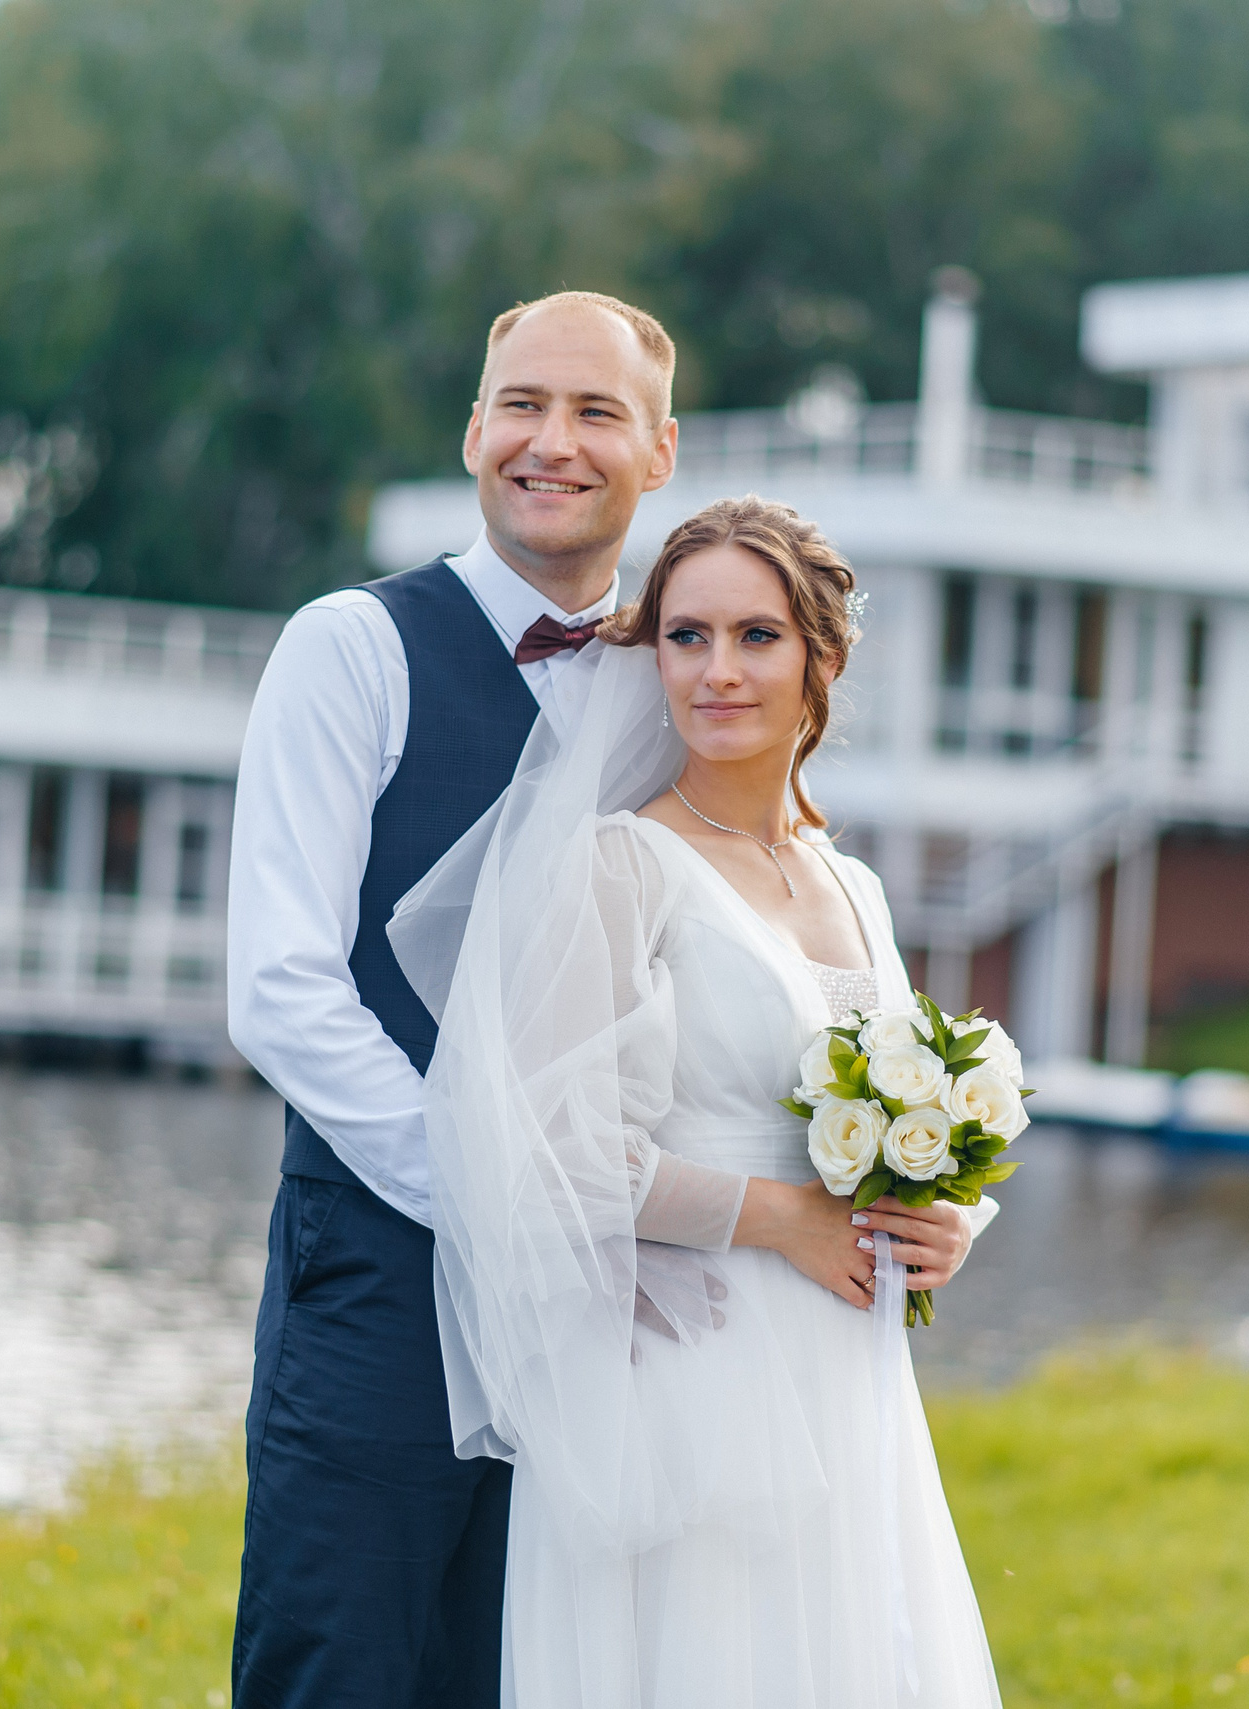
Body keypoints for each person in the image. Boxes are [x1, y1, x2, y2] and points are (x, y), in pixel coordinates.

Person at [388, 496, 1002, 1707]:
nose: (717, 670)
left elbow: (889, 1113)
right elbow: (555, 1153)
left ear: (820, 657)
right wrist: (781, 1218)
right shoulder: (620, 864)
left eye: (755, 636)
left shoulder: (855, 885)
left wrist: (948, 1219)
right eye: (686, 636)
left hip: (845, 1360)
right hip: (695, 1366)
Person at [226, 289, 701, 1706]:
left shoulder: (683, 687)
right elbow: (282, 986)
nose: (552, 441)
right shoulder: (351, 648)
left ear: (659, 451)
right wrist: (498, 1196)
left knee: (533, 1674)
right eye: (522, 405)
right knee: (339, 1669)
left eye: (596, 411)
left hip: (609, 1304)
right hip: (382, 1277)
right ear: (473, 430)